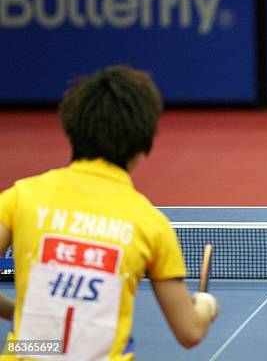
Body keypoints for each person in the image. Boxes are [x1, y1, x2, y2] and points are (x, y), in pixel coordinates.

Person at [0, 66, 219, 359]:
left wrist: (20, 312)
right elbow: (189, 332)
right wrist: (205, 304)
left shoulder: (20, 198)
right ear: (143, 145)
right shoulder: (149, 224)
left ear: (72, 127)